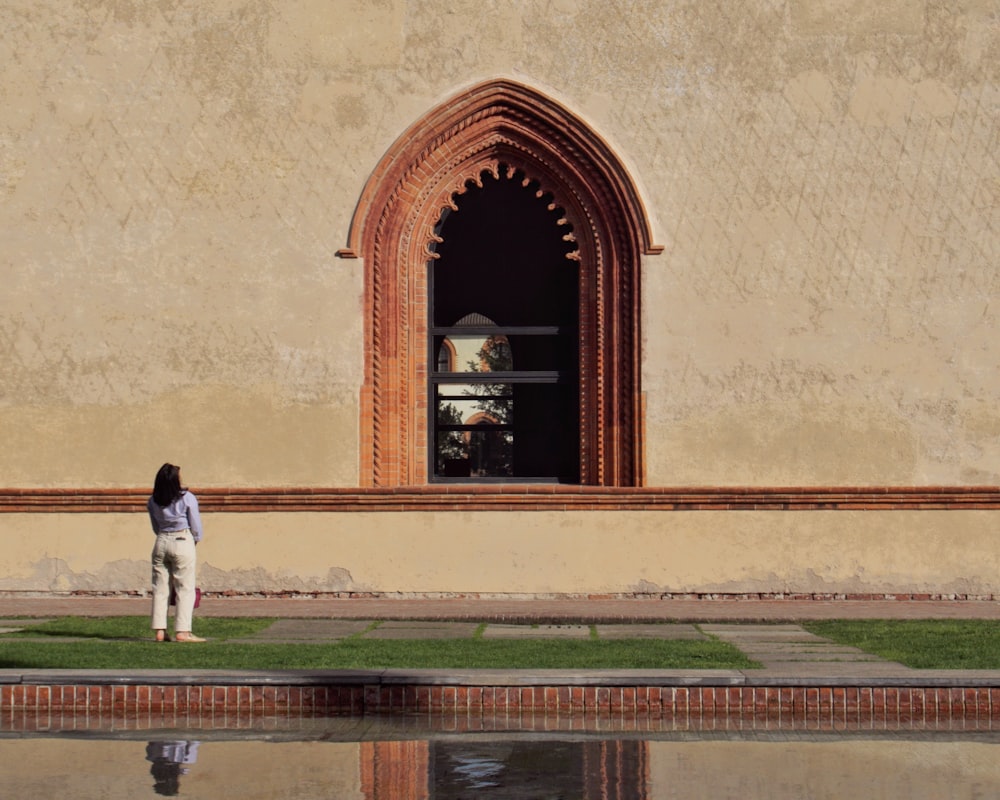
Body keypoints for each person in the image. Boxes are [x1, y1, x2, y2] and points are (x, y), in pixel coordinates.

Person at [148, 463, 205, 642]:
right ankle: (183, 631)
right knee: (184, 587)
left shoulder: (153, 500)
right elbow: (195, 524)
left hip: (161, 540)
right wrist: (195, 539)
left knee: (160, 588)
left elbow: (155, 526)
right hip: (182, 539)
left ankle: (159, 630)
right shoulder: (187, 498)